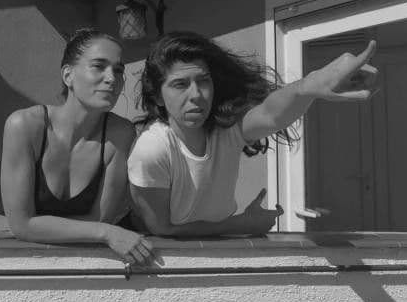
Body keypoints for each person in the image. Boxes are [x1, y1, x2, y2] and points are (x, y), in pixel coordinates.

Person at [128, 31, 377, 236]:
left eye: (203, 81)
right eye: (180, 84)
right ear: (158, 96)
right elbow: (162, 228)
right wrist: (241, 225)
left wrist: (309, 85)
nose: (196, 94)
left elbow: (270, 114)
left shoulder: (224, 130)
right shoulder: (152, 149)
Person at [0, 29, 154, 264]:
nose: (112, 78)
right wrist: (107, 233)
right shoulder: (26, 126)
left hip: (77, 264)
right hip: (20, 263)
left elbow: (98, 220)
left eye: (118, 70)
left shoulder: (120, 134)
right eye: (98, 66)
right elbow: (99, 228)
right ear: (68, 75)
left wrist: (22, 226)